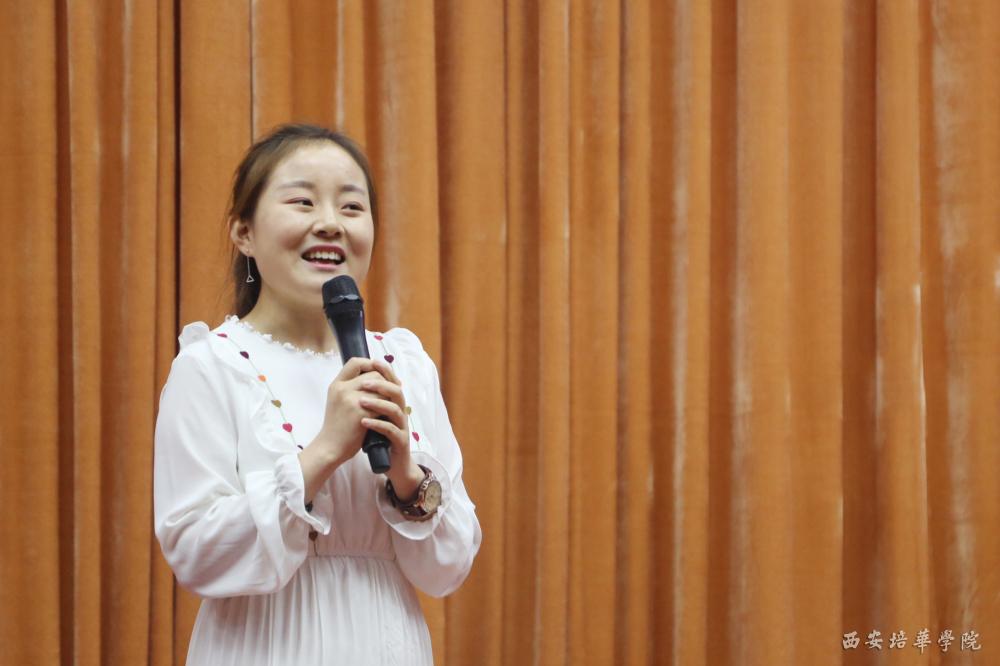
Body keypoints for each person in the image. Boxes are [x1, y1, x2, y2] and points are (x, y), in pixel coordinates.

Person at [154, 123, 482, 665]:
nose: (330, 223)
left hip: (388, 641)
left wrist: (407, 478)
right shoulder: (211, 366)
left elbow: (447, 569)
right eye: (303, 202)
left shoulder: (404, 364)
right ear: (244, 233)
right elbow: (196, 553)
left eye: (352, 207)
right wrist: (324, 452)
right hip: (263, 646)